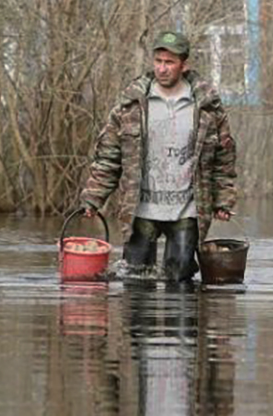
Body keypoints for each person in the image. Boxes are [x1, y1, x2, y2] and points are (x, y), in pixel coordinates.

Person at [80, 31, 237, 281]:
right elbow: (109, 155)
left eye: (169, 62)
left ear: (184, 65)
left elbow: (223, 158)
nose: (162, 69)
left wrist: (224, 200)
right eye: (158, 61)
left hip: (187, 210)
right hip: (140, 209)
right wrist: (93, 198)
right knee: (135, 282)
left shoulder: (206, 106)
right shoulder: (131, 103)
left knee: (180, 283)